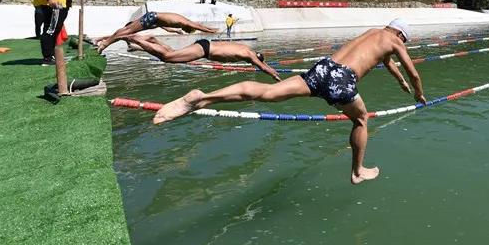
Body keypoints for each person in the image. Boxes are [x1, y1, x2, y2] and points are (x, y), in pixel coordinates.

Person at [154, 19, 425, 185]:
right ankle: (357, 171)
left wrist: (398, 81)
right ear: (402, 36)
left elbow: (386, 60)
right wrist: (417, 92)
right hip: (342, 79)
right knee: (361, 119)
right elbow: (412, 71)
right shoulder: (396, 42)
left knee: (267, 93)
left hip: (323, 67)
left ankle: (203, 98)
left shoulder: (374, 33)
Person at [123, 35, 281, 81]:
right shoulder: (249, 55)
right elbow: (262, 66)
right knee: (167, 57)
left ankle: (143, 44)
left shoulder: (246, 48)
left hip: (205, 45)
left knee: (172, 53)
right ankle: (137, 40)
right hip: (204, 50)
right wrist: (274, 75)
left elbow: (261, 63)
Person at [96, 11, 218, 52]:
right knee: (126, 32)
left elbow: (167, 27)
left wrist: (175, 32)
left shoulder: (180, 23)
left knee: (125, 32)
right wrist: (210, 31)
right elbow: (197, 25)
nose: (185, 30)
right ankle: (104, 44)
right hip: (152, 18)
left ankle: (103, 41)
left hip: (153, 20)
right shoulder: (185, 22)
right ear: (188, 28)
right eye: (187, 31)